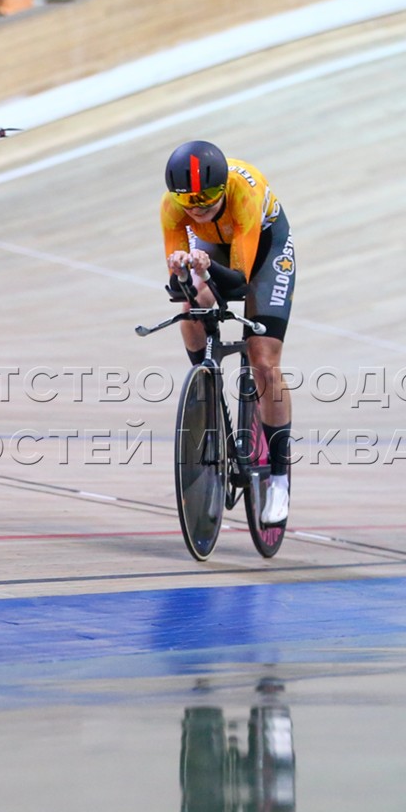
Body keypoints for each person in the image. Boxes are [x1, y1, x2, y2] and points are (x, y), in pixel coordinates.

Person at [161, 140, 296, 524]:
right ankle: (206, 387)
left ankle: (280, 481)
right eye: (189, 200)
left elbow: (238, 284)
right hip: (215, 246)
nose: (198, 206)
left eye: (208, 196)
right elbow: (176, 289)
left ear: (223, 187)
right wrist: (185, 273)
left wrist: (202, 270)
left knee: (263, 361)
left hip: (266, 249)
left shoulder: (243, 195)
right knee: (190, 308)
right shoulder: (173, 207)